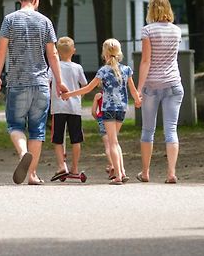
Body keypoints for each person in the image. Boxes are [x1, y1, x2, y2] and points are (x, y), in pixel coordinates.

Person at [0, 0, 68, 185]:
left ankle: (23, 152)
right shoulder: (45, 22)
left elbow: (1, 50)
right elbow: (52, 53)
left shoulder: (9, 20)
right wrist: (59, 82)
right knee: (37, 130)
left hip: (17, 82)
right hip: (41, 83)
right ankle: (32, 175)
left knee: (15, 125)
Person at [62, 38, 141, 185]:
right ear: (119, 53)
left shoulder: (103, 71)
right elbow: (133, 91)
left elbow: (87, 88)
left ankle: (118, 175)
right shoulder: (126, 70)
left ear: (104, 53)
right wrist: (137, 100)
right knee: (115, 142)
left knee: (112, 143)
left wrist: (69, 94)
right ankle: (122, 172)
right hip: (122, 109)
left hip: (108, 109)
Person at [136, 0, 184, 184]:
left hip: (152, 86)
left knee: (148, 130)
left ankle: (146, 172)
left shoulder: (147, 31)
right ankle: (171, 172)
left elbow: (146, 60)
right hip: (173, 83)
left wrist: (139, 88)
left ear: (151, 9)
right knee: (171, 130)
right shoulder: (177, 31)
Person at [49, 37, 87, 181]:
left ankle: (61, 166)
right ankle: (75, 168)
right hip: (74, 108)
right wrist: (78, 98)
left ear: (57, 52)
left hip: (58, 107)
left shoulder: (54, 67)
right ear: (74, 51)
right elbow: (84, 85)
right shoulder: (78, 68)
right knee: (76, 139)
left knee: (58, 138)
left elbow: (48, 83)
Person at [91, 91, 114, 179]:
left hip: (102, 119)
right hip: (113, 119)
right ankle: (113, 165)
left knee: (107, 146)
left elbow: (93, 111)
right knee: (114, 144)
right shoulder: (113, 93)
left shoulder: (98, 95)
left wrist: (99, 119)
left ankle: (111, 165)